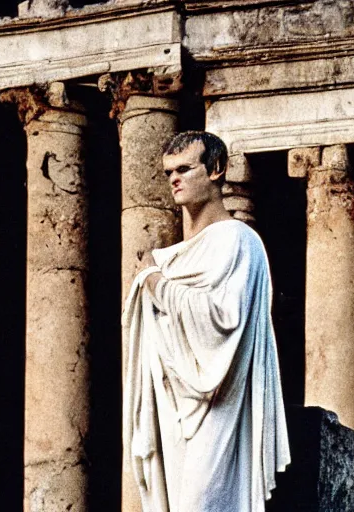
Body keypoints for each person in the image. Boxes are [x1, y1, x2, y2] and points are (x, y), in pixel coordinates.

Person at [123, 131, 290, 511]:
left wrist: (155, 284)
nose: (174, 180)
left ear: (216, 169)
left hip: (220, 404)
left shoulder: (237, 241)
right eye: (168, 173)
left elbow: (222, 321)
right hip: (172, 406)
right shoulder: (170, 259)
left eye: (185, 168)